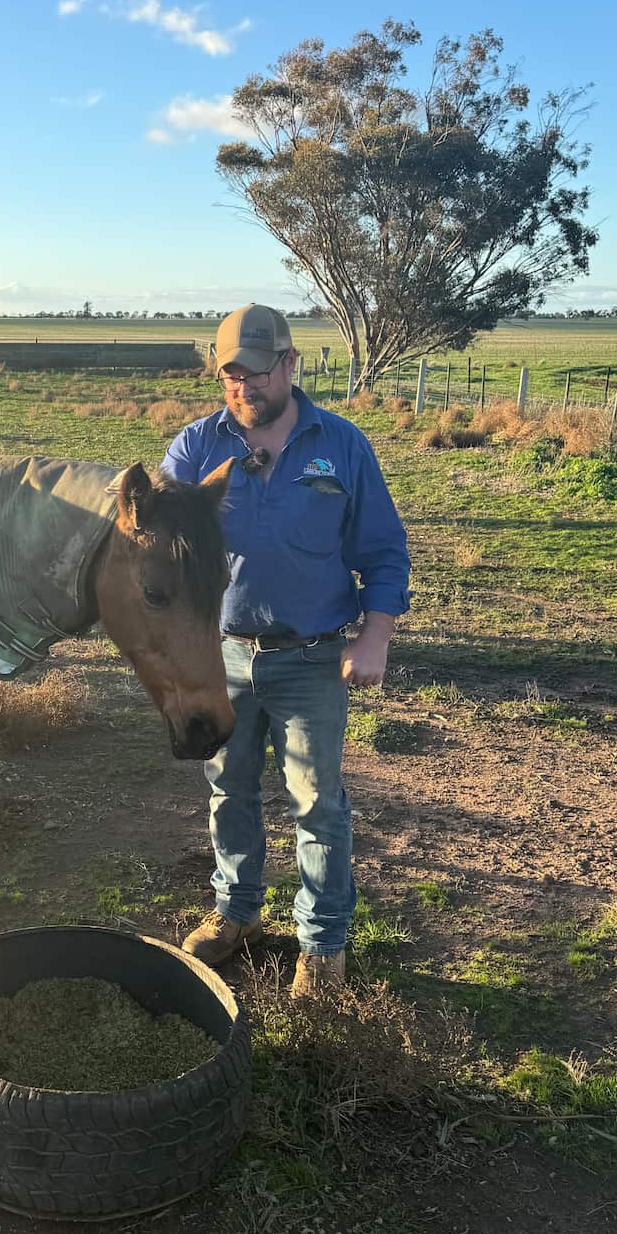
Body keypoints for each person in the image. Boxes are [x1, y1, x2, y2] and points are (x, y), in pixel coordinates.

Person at [162, 303, 410, 996]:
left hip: (313, 657)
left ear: (290, 363)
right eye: (231, 375)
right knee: (228, 789)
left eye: (258, 372)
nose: (244, 387)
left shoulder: (342, 445)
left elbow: (384, 550)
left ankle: (322, 944)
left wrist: (375, 635)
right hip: (223, 657)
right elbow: (157, 548)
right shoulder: (195, 448)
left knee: (317, 804)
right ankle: (236, 912)